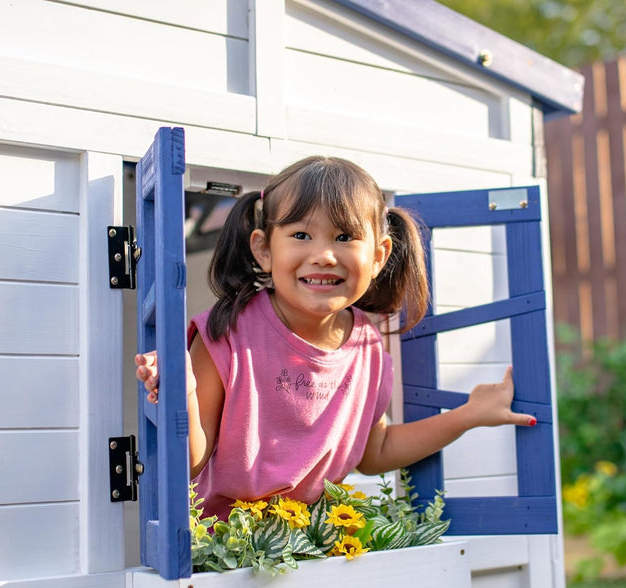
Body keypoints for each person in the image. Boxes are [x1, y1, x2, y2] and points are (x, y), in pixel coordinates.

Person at [135, 156, 536, 521]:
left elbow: (374, 452)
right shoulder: (226, 333)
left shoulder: (367, 345)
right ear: (264, 249)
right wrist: (181, 388)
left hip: (316, 542)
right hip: (227, 547)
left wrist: (469, 415)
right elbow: (190, 463)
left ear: (378, 256)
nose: (324, 254)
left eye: (345, 237)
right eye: (301, 236)